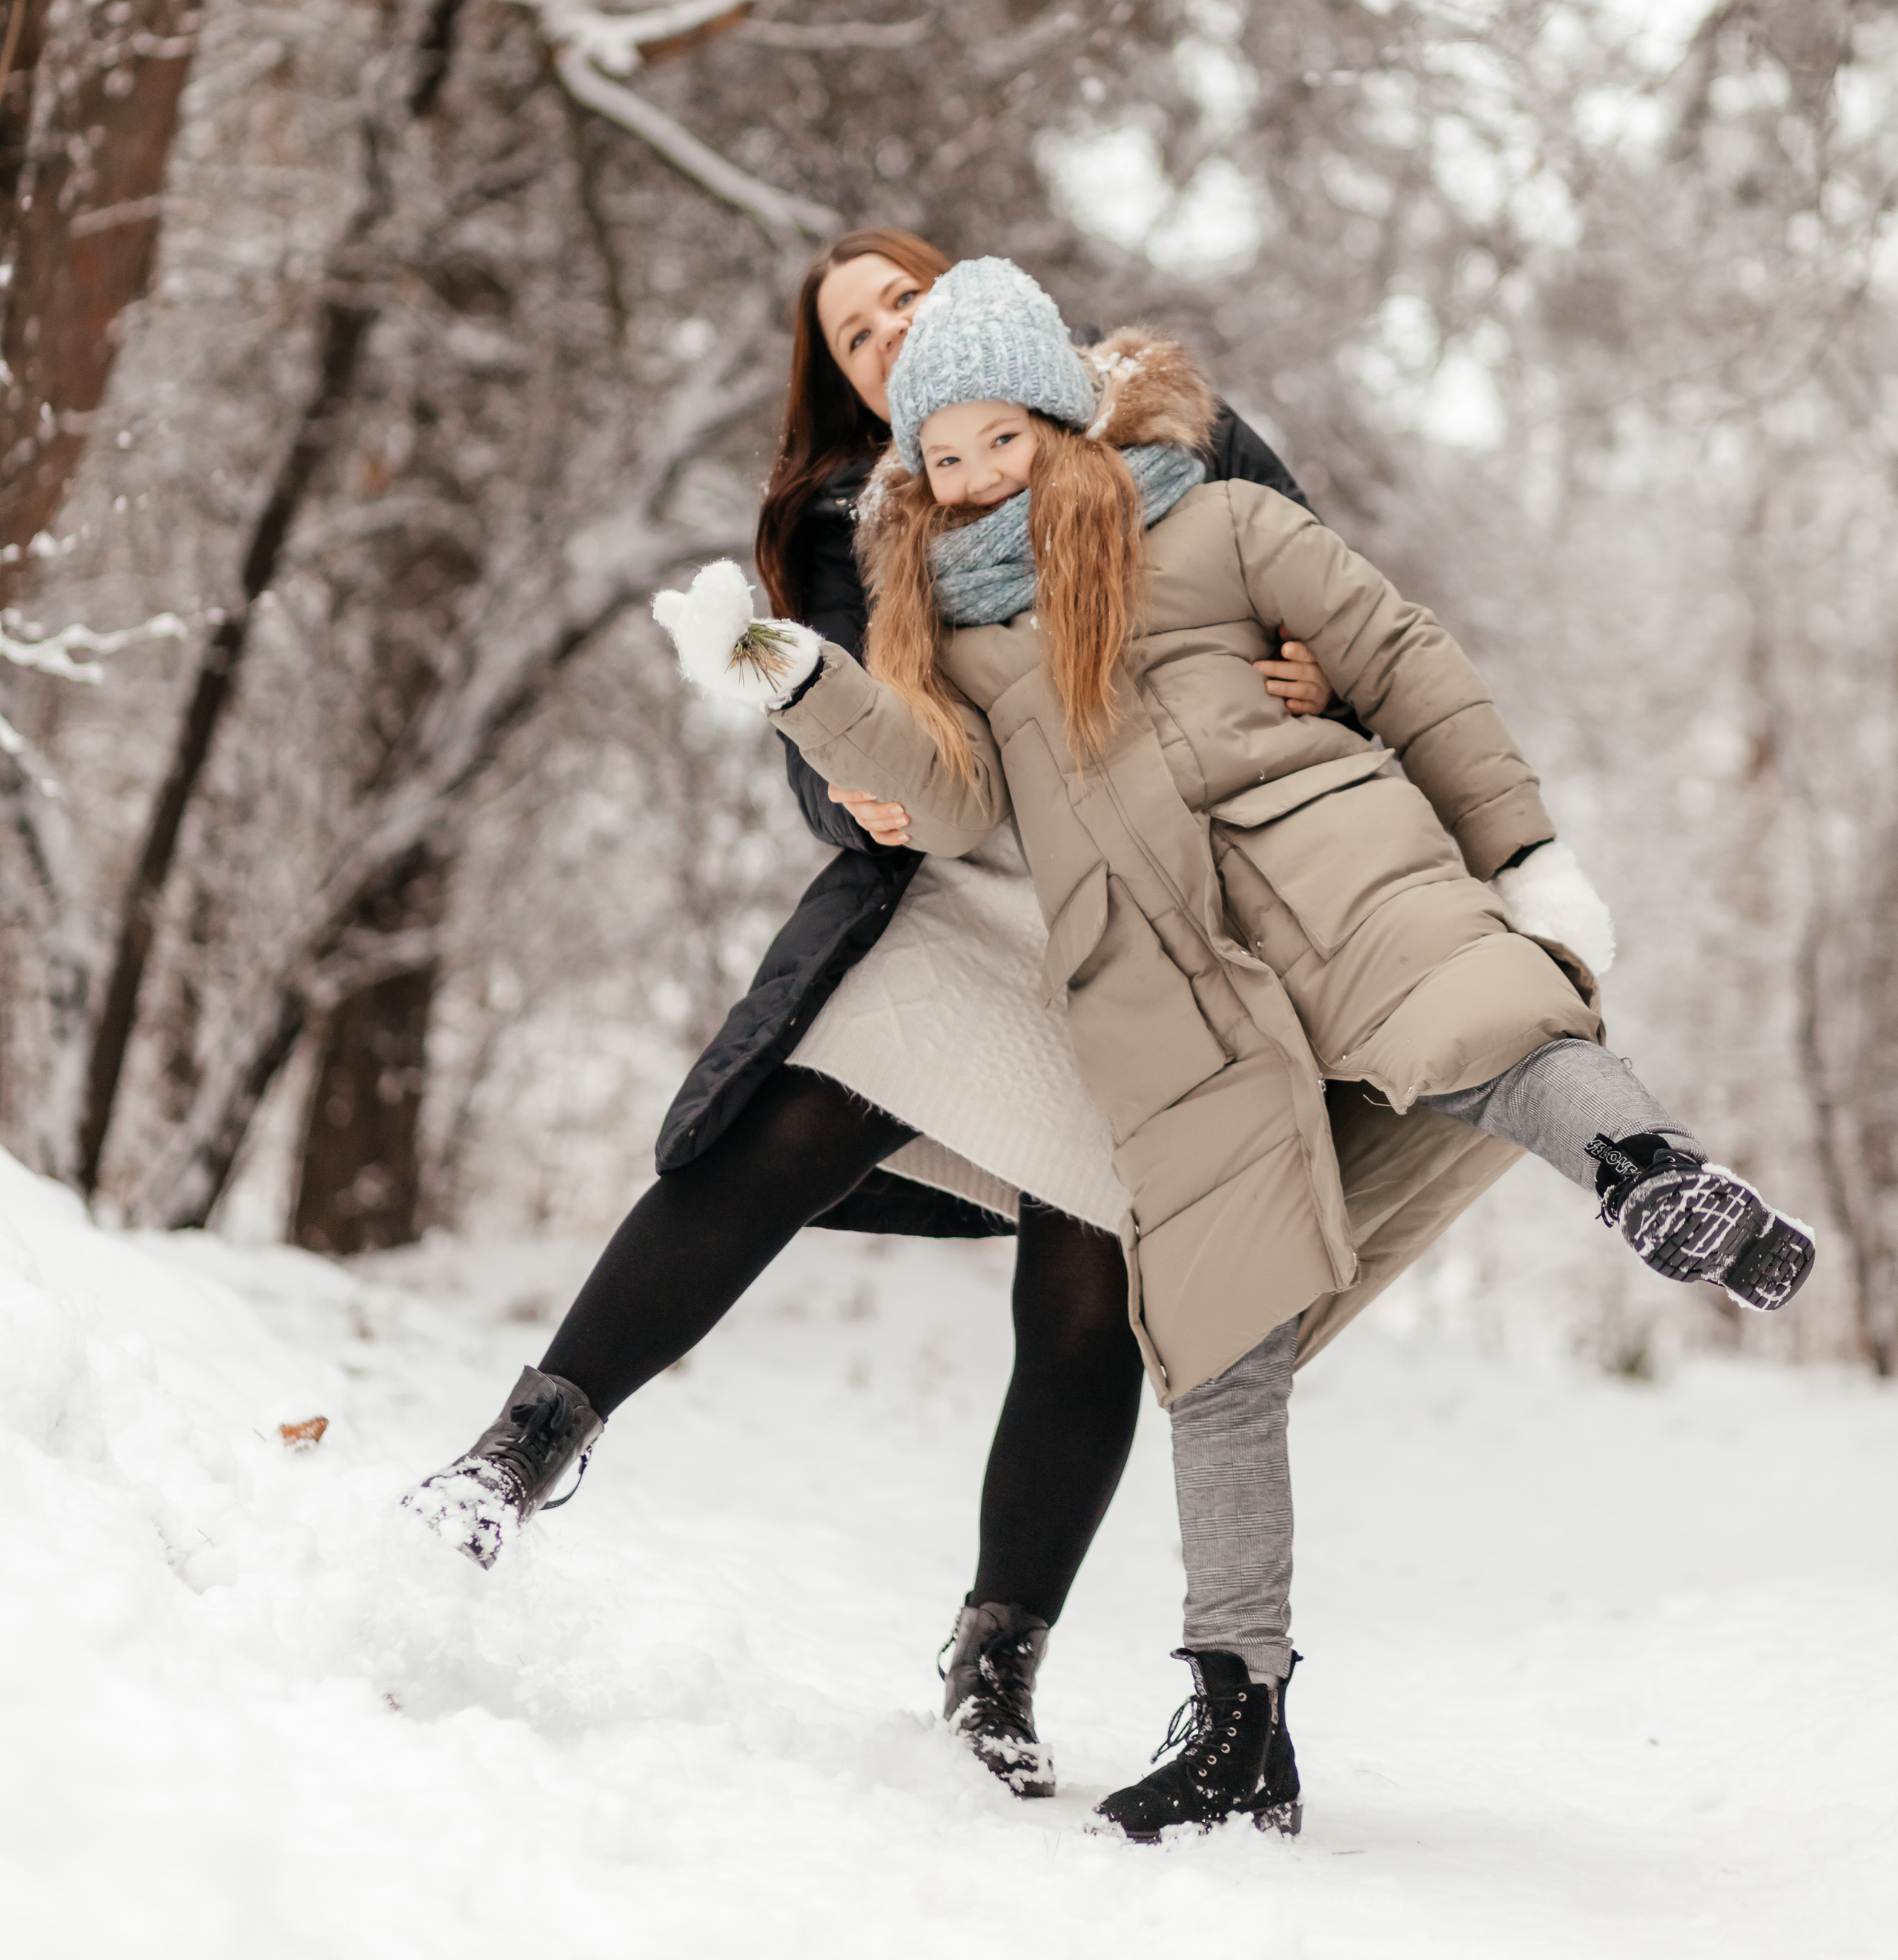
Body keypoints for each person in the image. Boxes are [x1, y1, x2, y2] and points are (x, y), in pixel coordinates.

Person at [655, 255, 1817, 1844]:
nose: (982, 471)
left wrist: (1524, 856)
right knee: (1218, 1339)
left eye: (1003, 434)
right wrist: (798, 683)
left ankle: (1649, 1170)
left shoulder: (1213, 520)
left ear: (1059, 417)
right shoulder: (960, 646)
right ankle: (1236, 1722)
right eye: (947, 454)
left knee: (1481, 1028)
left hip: (1327, 867)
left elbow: (1403, 659)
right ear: (915, 478)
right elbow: (942, 801)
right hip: (1162, 989)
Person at [406, 229, 1335, 1800]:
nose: (885, 337)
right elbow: (824, 727)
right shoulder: (849, 520)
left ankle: (997, 1660)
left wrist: (1310, 668)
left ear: (973, 304)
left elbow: (1298, 567)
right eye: (851, 337)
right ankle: (516, 1454)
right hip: (970, 894)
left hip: (1155, 908)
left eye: (900, 299)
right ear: (841, 388)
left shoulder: (1146, 414)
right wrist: (850, 797)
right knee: (783, 1124)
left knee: (1090, 1285)